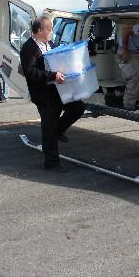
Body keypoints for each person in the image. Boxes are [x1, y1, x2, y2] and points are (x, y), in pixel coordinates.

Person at [20, 16, 84, 172]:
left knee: (78, 107)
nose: (51, 33)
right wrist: (52, 75)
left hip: (58, 90)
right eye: (49, 29)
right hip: (43, 94)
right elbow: (30, 72)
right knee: (49, 125)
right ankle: (52, 163)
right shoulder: (28, 48)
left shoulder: (49, 44)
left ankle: (58, 130)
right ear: (40, 30)